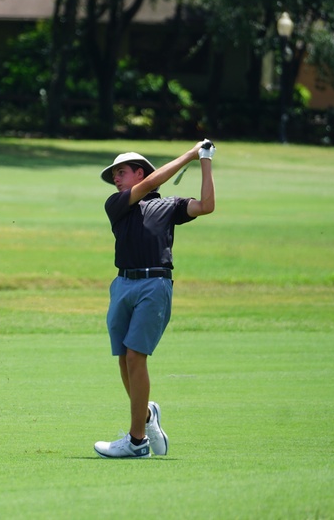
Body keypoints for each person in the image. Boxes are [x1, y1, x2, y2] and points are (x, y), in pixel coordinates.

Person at [93, 140, 216, 459]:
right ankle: (147, 416)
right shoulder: (116, 204)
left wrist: (203, 159)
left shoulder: (170, 206)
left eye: (121, 172)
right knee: (124, 358)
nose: (115, 179)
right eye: (114, 175)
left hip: (155, 284)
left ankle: (137, 442)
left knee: (136, 356)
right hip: (122, 284)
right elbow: (150, 185)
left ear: (140, 172)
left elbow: (206, 205)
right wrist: (188, 155)